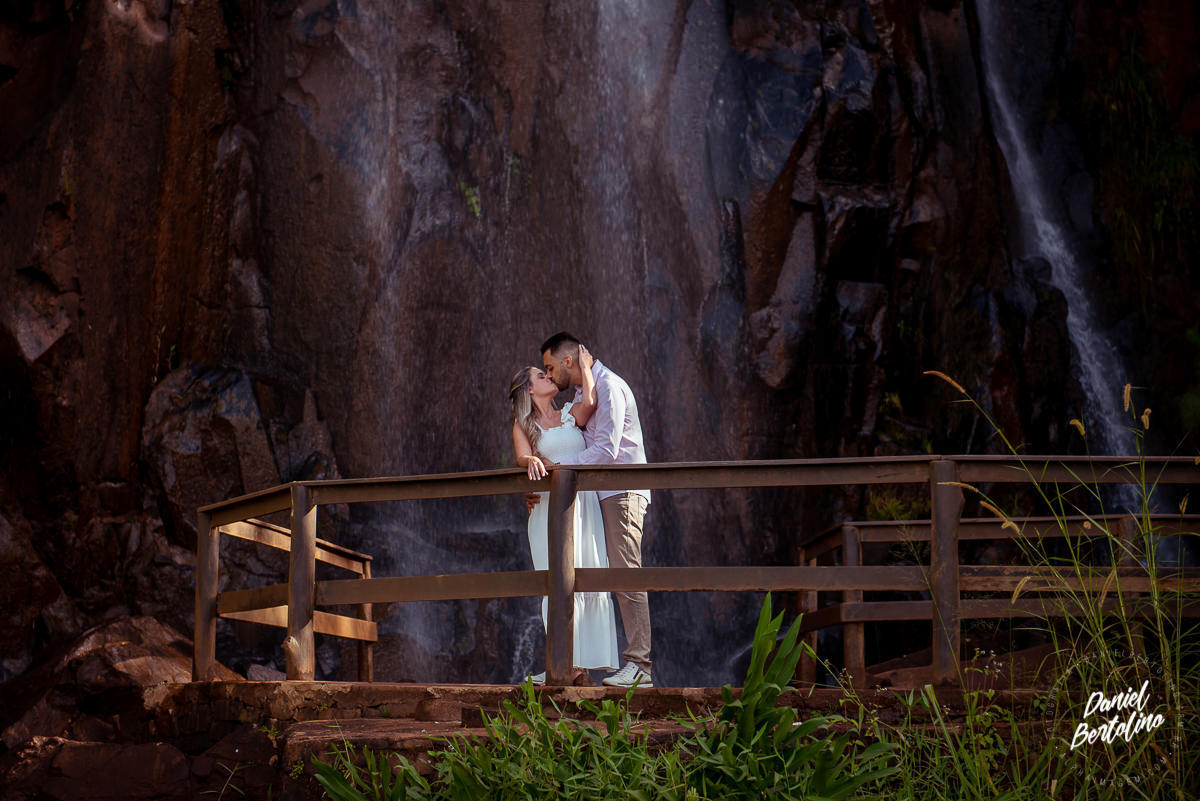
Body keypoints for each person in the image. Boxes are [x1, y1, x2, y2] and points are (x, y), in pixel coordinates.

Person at [539, 332, 652, 688]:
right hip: (598, 497)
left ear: (568, 361)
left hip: (622, 493)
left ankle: (640, 666)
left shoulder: (611, 387)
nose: (550, 375)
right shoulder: (585, 391)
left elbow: (605, 450)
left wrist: (557, 471)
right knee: (596, 576)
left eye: (550, 367)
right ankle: (577, 665)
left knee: (624, 573)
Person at [508, 347, 619, 683]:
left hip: (583, 508)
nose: (549, 376)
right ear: (529, 390)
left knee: (587, 578)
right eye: (541, 375)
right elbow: (521, 458)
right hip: (548, 512)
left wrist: (585, 367)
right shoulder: (523, 425)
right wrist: (531, 462)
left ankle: (582, 663)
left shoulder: (570, 413)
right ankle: (563, 662)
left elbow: (591, 405)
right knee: (555, 583)